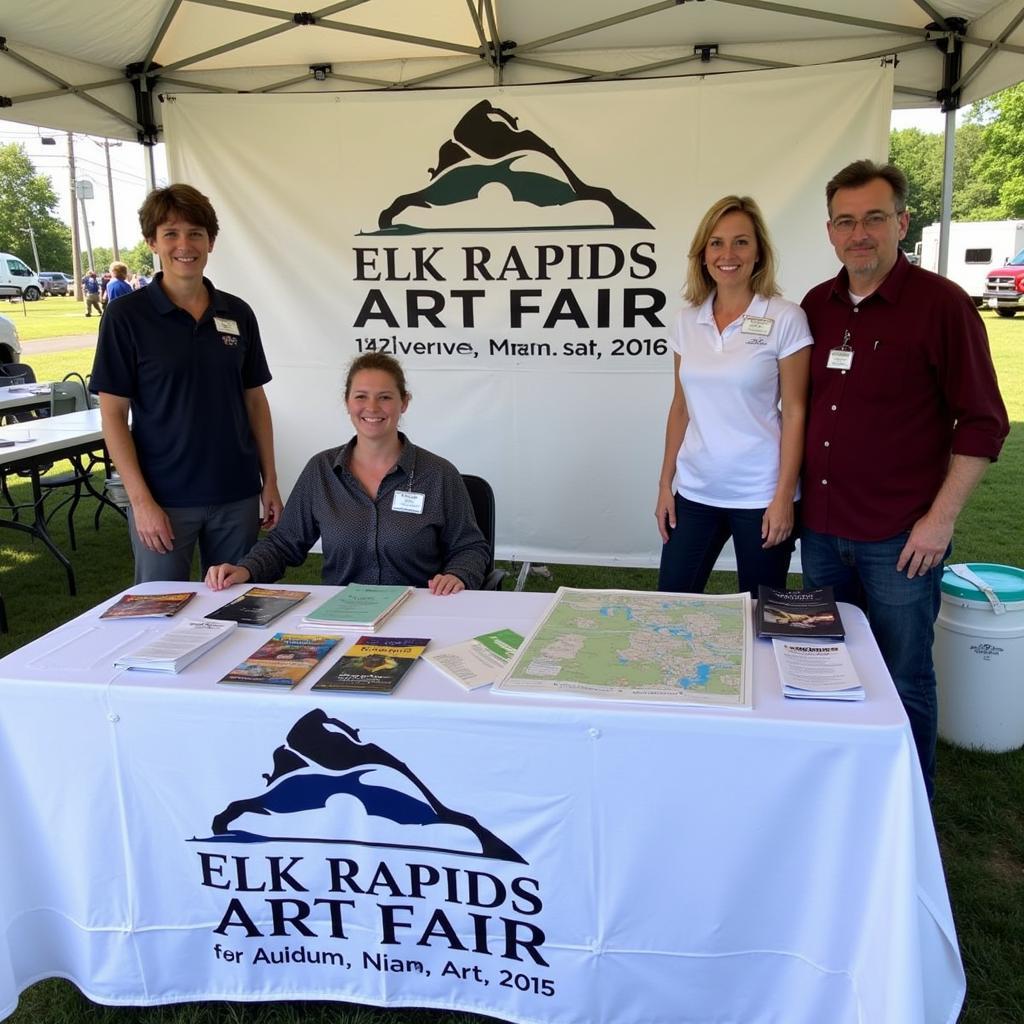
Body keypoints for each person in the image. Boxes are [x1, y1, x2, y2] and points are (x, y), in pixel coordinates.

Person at [801, 159, 1010, 797]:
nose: (858, 233)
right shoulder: (817, 305)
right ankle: (850, 795)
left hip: (900, 540)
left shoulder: (942, 306)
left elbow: (983, 423)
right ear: (830, 231)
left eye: (873, 219)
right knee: (829, 670)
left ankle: (910, 809)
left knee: (903, 675)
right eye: (845, 221)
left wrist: (939, 521)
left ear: (902, 222)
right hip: (822, 533)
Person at [91, 183, 283, 583]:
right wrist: (140, 502)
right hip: (163, 498)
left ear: (211, 242)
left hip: (236, 493)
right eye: (171, 234)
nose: (185, 245)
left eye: (196, 233)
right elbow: (112, 417)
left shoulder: (237, 312)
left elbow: (255, 402)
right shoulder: (127, 317)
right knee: (160, 616)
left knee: (242, 610)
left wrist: (271, 482)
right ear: (152, 242)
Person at [206, 352, 488, 596]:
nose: (372, 408)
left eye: (385, 397)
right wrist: (245, 570)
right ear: (347, 402)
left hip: (418, 613)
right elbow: (284, 543)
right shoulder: (322, 471)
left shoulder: (438, 475)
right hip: (341, 617)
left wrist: (459, 575)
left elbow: (470, 546)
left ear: (404, 402)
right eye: (361, 396)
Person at [656, 195, 812, 597]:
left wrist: (782, 498)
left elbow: (795, 412)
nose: (728, 254)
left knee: (763, 612)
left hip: (760, 494)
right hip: (695, 490)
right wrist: (664, 485)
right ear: (702, 254)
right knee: (670, 603)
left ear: (758, 252)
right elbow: (680, 408)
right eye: (717, 243)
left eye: (741, 242)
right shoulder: (686, 321)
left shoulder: (785, 318)